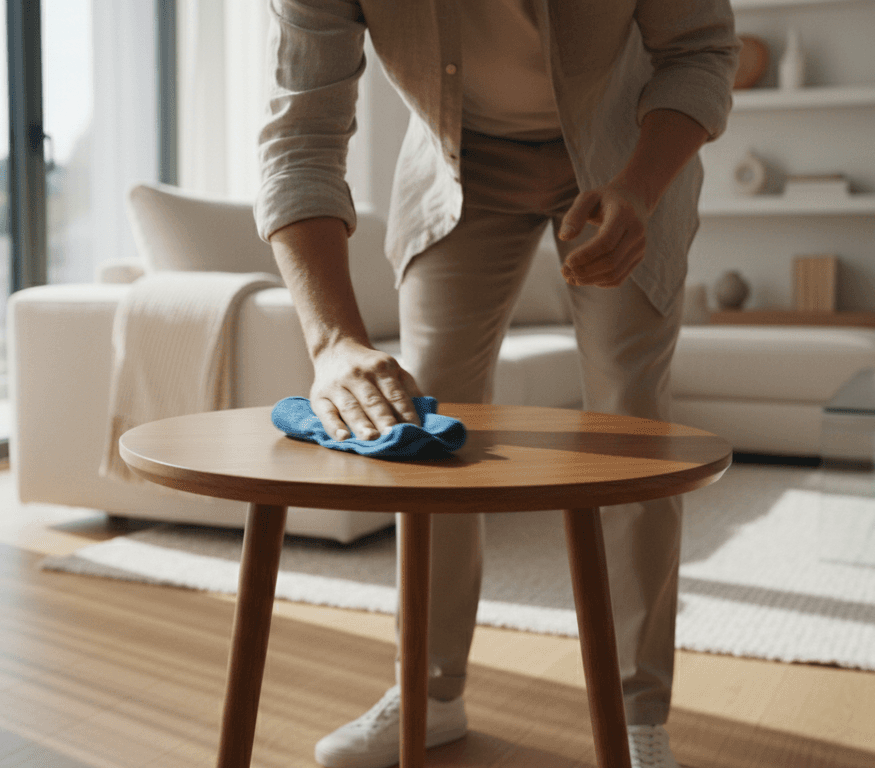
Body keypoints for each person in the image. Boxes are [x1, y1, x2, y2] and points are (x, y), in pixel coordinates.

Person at [255, 2, 739, 767]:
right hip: (457, 167)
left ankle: (635, 715)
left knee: (629, 428)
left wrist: (642, 189)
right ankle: (431, 692)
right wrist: (335, 341)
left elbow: (703, 51)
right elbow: (300, 139)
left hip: (621, 153)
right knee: (426, 428)